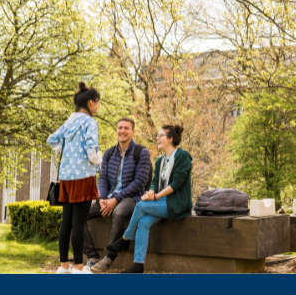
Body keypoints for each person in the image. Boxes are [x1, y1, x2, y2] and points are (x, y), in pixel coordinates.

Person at [105, 124, 193, 274]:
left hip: (176, 203)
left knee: (140, 206)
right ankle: (138, 265)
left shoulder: (182, 157)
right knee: (143, 222)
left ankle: (125, 239)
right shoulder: (160, 160)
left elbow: (176, 184)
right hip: (161, 203)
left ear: (170, 139)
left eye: (161, 135)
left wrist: (156, 196)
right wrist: (151, 192)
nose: (157, 138)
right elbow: (153, 182)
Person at [84, 117, 152, 273]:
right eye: (120, 127)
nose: (122, 131)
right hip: (108, 198)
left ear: (133, 132)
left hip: (131, 198)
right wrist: (101, 198)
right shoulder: (109, 153)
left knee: (119, 212)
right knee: (78, 214)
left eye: (126, 128)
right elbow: (102, 179)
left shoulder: (141, 152)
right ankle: (92, 255)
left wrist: (116, 199)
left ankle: (109, 257)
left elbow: (140, 182)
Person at [47, 82, 102, 274]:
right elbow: (91, 151)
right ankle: (79, 267)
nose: (98, 107)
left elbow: (52, 139)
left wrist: (66, 150)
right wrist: (99, 160)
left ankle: (63, 267)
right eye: (97, 103)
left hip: (66, 177)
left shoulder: (69, 121)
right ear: (90, 102)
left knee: (67, 222)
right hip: (83, 177)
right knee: (79, 223)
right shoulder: (90, 122)